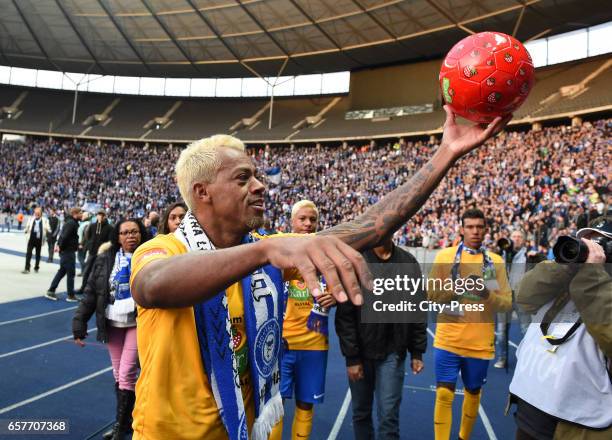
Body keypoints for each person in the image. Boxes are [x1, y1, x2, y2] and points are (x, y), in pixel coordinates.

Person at [129, 109, 510, 440]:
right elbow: (153, 285)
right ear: (203, 192)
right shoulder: (163, 248)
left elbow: (370, 227)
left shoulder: (271, 251)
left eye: (257, 176)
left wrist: (446, 154)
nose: (260, 185)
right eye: (243, 178)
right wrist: (264, 250)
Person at [509, 216, 612, 440]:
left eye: (601, 243)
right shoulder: (565, 274)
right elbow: (524, 297)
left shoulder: (598, 285)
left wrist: (593, 275)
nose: (590, 248)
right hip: (531, 408)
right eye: (586, 240)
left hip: (575, 424)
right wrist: (564, 266)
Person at [428, 208, 512, 440]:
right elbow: (431, 295)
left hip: (479, 343)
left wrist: (486, 294)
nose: (475, 231)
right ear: (462, 229)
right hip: (447, 340)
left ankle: (464, 437)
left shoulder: (494, 263)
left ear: (485, 229)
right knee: (444, 394)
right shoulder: (445, 257)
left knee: (473, 393)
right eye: (470, 227)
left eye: (479, 227)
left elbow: (506, 304)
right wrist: (454, 289)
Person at [335, 237, 427, 440]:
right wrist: (352, 358)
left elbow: (417, 308)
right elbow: (345, 314)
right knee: (361, 414)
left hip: (393, 352)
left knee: (388, 419)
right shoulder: (354, 262)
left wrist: (417, 351)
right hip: (360, 352)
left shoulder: (408, 263)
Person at [73, 218, 145, 440]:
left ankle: (120, 428)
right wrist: (80, 322)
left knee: (126, 374)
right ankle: (128, 422)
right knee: (119, 374)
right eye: (125, 232)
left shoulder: (150, 256)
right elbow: (91, 292)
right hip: (111, 323)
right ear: (117, 236)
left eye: (134, 231)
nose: (130, 236)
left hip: (137, 322)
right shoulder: (105, 259)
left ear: (141, 234)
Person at [271, 200, 337, 440]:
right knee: (276, 406)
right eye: (303, 219)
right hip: (281, 344)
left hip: (314, 343)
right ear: (292, 222)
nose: (308, 224)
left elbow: (339, 290)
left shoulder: (327, 256)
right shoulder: (277, 250)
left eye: (313, 220)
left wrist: (336, 297)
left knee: (306, 405)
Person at [46, 207, 81, 302]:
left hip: (67, 250)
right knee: (71, 273)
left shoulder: (70, 222)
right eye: (80, 213)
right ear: (75, 213)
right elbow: (64, 236)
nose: (81, 215)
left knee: (62, 271)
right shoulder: (71, 223)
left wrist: (59, 245)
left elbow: (63, 235)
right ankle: (70, 295)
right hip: (68, 251)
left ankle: (51, 290)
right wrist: (60, 246)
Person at [79, 210, 112, 294]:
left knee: (99, 272)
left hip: (102, 254)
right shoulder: (92, 225)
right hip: (92, 252)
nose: (100, 216)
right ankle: (83, 287)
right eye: (98, 215)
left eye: (101, 215)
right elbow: (87, 236)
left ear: (105, 216)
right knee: (87, 271)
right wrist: (89, 245)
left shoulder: (109, 228)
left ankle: (95, 290)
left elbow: (110, 241)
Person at [22, 207, 50, 274]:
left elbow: (49, 228)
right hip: (31, 239)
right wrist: (25, 230)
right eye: (35, 213)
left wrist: (47, 230)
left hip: (39, 240)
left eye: (38, 213)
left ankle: (36, 267)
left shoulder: (45, 220)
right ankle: (27, 268)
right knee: (28, 254)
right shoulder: (31, 219)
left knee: (38, 254)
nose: (36, 214)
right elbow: (27, 227)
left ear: (41, 214)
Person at [77, 212, 91, 276]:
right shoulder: (85, 223)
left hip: (83, 243)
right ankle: (83, 271)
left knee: (80, 257)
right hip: (83, 243)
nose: (82, 216)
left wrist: (81, 244)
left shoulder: (86, 224)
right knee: (82, 257)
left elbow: (85, 235)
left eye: (83, 216)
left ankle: (85, 270)